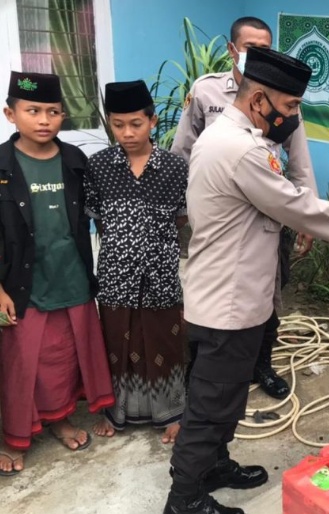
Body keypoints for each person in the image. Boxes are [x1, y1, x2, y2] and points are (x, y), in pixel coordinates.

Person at [164, 47, 329, 514]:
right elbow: (292, 205)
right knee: (208, 408)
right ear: (260, 99)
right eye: (289, 108)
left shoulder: (230, 133)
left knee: (224, 397)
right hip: (228, 301)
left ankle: (214, 465)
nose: (292, 118)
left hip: (228, 292)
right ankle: (184, 499)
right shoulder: (243, 149)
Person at [171, 16, 319, 400]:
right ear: (233, 51)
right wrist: (183, 210)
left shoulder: (283, 95)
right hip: (224, 217)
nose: (258, 56)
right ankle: (207, 379)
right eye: (252, 48)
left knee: (267, 292)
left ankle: (260, 366)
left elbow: (299, 161)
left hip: (268, 213)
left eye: (266, 49)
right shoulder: (207, 94)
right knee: (220, 300)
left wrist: (309, 216)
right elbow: (183, 154)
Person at [0, 72, 114, 476]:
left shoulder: (74, 161)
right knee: (22, 363)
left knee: (64, 358)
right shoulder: (2, 165)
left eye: (53, 112)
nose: (44, 120)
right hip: (22, 284)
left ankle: (60, 418)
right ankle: (13, 435)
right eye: (32, 111)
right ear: (10, 113)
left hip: (72, 277)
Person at [86, 80, 188, 443]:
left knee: (164, 341)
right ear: (109, 124)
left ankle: (172, 414)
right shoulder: (98, 167)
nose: (127, 133)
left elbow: (181, 218)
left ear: (153, 121)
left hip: (160, 275)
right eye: (117, 125)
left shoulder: (175, 168)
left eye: (135, 124)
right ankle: (117, 414)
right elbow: (96, 217)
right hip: (116, 275)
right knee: (118, 345)